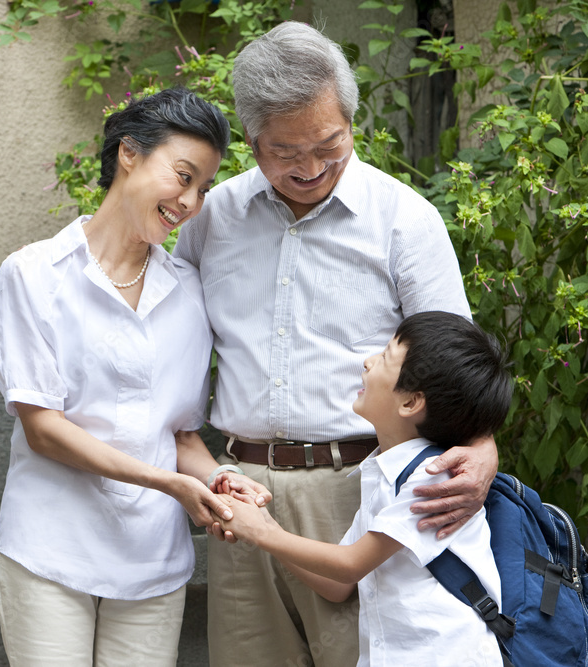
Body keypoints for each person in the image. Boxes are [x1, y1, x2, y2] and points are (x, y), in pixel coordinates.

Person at [173, 21, 499, 666]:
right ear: (250, 140)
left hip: (360, 489)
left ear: (350, 120)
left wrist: (481, 445)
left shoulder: (404, 218)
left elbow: (453, 360)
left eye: (330, 143)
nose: (312, 167)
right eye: (286, 152)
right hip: (240, 488)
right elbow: (175, 354)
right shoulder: (211, 219)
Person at [0, 87, 271, 666]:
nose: (190, 202)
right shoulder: (34, 275)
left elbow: (181, 436)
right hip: (50, 548)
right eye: (183, 175)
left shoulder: (188, 292)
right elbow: (44, 429)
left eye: (203, 188)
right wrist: (170, 484)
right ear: (129, 155)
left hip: (151, 559)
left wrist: (219, 478)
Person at [216, 311, 513, 667]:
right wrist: (265, 521)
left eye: (386, 356)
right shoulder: (385, 473)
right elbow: (336, 584)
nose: (368, 363)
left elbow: (350, 566)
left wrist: (260, 531)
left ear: (410, 402)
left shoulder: (434, 478)